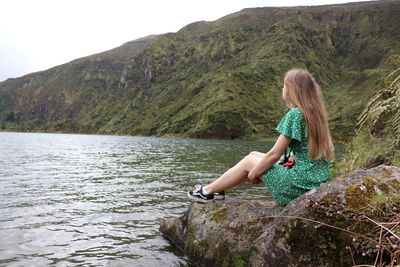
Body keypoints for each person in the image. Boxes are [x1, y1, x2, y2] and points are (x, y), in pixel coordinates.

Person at [187, 69, 335, 206]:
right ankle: (217, 189)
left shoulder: (296, 114)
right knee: (253, 155)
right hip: (313, 180)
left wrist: (253, 174)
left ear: (292, 90)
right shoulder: (316, 114)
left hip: (299, 186)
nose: (282, 89)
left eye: (284, 86)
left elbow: (273, 155)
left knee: (249, 162)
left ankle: (206, 192)